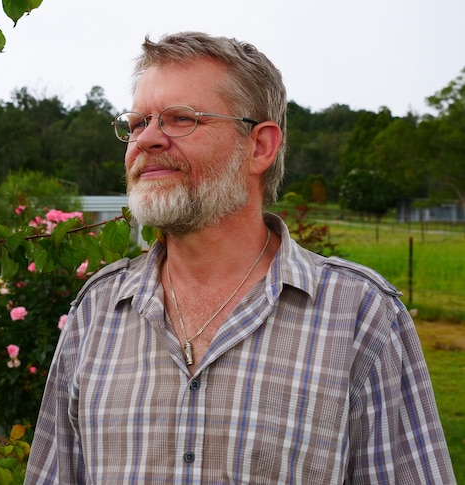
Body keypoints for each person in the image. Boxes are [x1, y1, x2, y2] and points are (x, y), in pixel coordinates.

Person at [25, 32, 454, 484]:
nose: (146, 139)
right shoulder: (97, 311)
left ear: (260, 146)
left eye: (180, 119)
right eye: (137, 122)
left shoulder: (362, 317)